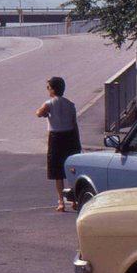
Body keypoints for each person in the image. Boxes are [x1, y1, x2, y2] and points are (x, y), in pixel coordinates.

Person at [36, 76, 81, 212]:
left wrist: (46, 114)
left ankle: (61, 201)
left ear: (53, 89)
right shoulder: (70, 104)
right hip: (70, 136)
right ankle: (74, 200)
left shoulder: (49, 103)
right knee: (71, 169)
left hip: (56, 137)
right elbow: (74, 123)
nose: (47, 90)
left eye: (48, 87)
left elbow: (38, 113)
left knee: (57, 171)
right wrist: (77, 140)